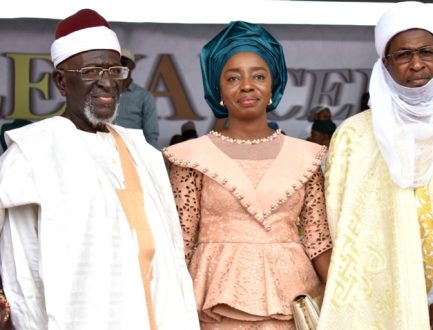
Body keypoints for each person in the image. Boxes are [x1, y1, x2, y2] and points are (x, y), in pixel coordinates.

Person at [0, 9, 199, 329]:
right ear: (62, 81)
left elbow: (171, 259)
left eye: (114, 70)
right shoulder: (33, 153)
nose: (107, 83)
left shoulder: (142, 154)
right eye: (92, 70)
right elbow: (22, 268)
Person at [319, 2, 433, 329]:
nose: (416, 64)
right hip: (379, 304)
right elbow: (337, 228)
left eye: (426, 51)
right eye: (402, 55)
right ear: (384, 64)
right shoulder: (353, 137)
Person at [162, 21, 333, 329]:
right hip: (214, 307)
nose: (246, 85)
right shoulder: (191, 157)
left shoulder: (306, 157)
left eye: (258, 75)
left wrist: (348, 303)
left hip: (291, 304)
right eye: (232, 77)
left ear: (273, 85)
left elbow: (318, 241)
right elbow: (180, 244)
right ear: (218, 90)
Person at [114, 48, 159, 147]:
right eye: (117, 63)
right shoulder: (103, 92)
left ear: (132, 66)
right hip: (106, 149)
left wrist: (152, 159)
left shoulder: (144, 96)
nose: (121, 66)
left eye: (124, 62)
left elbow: (151, 135)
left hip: (132, 150)